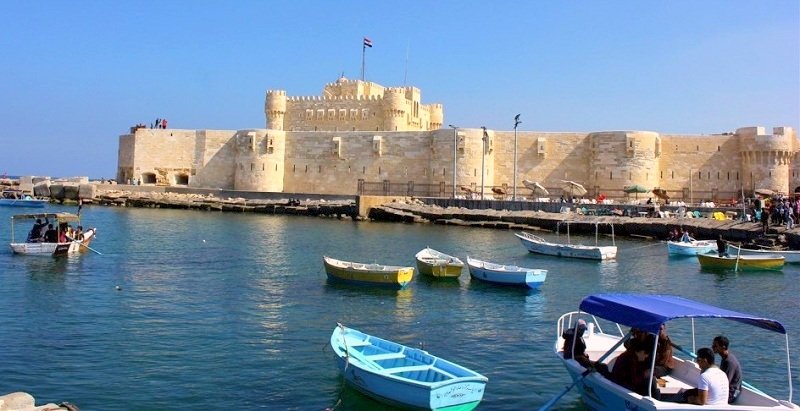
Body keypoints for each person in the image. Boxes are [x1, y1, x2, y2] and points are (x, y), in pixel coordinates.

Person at [712, 336, 742, 404]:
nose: (712, 347)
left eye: (715, 345)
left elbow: (725, 383)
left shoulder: (729, 361)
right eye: (713, 345)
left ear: (723, 347)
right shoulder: (725, 358)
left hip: (730, 394)